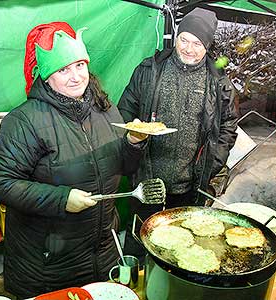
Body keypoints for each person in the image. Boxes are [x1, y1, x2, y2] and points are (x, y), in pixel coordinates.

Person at [0, 22, 148, 298]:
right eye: (63, 69)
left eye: (79, 66)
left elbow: (123, 167)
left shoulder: (105, 109)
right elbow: (1, 182)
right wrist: (61, 199)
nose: (75, 77)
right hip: (50, 264)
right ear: (46, 77)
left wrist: (133, 144)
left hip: (103, 253)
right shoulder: (25, 120)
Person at [117, 7, 238, 262]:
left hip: (188, 185)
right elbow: (124, 111)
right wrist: (134, 134)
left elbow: (228, 126)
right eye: (184, 39)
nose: (189, 49)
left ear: (207, 46)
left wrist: (211, 163)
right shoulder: (149, 70)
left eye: (197, 43)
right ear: (176, 37)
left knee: (179, 252)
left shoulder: (218, 83)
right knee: (139, 245)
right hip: (147, 180)